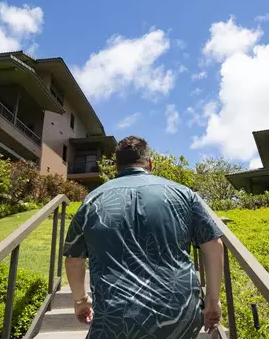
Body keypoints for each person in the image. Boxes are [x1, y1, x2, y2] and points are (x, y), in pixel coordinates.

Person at [63, 136, 225, 339]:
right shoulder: (184, 194)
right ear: (150, 164)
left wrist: (81, 301)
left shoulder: (92, 201)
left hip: (116, 318)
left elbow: (74, 260)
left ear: (117, 167)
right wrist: (212, 298)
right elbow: (214, 246)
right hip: (179, 314)